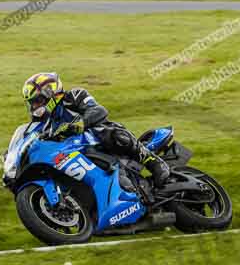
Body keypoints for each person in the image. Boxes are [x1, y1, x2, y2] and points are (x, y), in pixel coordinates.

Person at [21, 72, 171, 187]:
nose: (35, 107)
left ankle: (153, 161)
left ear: (50, 94)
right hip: (76, 155)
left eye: (37, 102)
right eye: (32, 104)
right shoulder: (46, 124)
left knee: (110, 133)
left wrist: (81, 123)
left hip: (98, 139)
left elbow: (99, 110)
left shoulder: (74, 96)